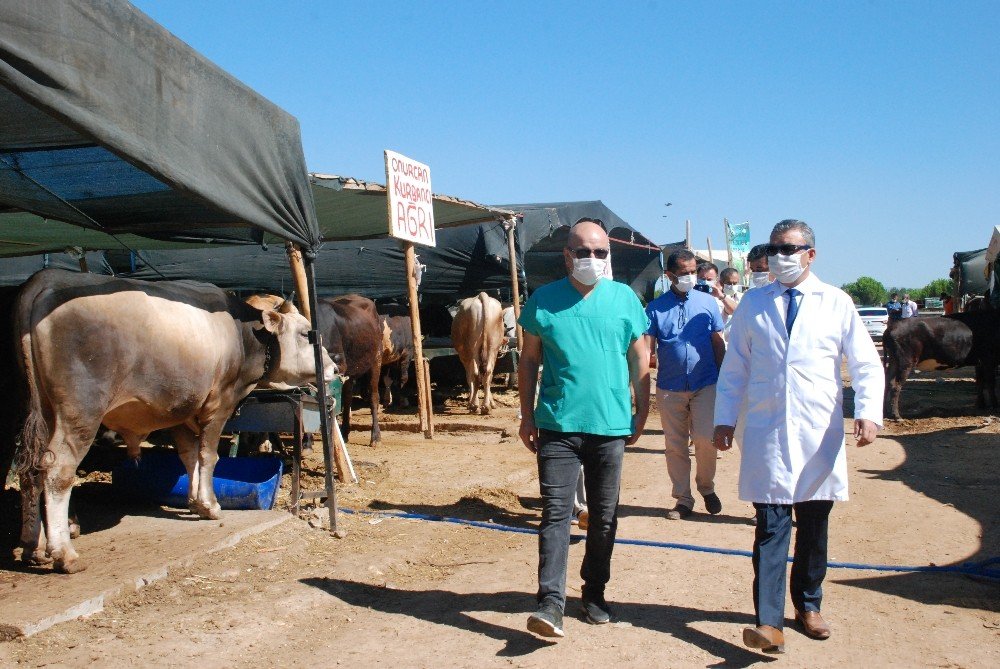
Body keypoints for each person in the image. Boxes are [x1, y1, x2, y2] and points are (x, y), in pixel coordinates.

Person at [713, 220, 883, 654]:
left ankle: (809, 604)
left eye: (791, 248)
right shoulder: (754, 302)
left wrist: (868, 413)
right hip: (767, 431)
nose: (781, 256)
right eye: (775, 248)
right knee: (770, 526)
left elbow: (864, 364)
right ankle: (768, 623)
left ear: (811, 254)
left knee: (812, 525)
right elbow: (735, 368)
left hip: (817, 432)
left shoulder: (837, 302)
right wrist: (724, 419)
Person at [518, 218, 650, 638]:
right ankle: (551, 603)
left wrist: (641, 411)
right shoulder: (543, 300)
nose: (592, 259)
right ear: (567, 255)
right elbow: (528, 361)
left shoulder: (625, 299)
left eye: (600, 252)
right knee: (556, 514)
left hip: (610, 425)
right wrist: (525, 415)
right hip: (557, 423)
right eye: (584, 251)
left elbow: (639, 359)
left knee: (605, 517)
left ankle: (594, 593)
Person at [645, 249, 726, 520]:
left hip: (706, 383)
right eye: (684, 273)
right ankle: (683, 498)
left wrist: (725, 379)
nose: (690, 277)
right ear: (669, 276)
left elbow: (717, 342)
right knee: (675, 445)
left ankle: (706, 487)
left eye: (693, 272)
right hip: (670, 387)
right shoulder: (655, 308)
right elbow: (647, 349)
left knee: (706, 439)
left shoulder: (708, 302)